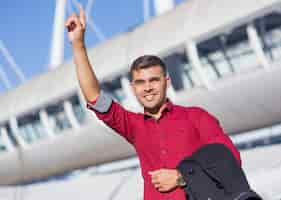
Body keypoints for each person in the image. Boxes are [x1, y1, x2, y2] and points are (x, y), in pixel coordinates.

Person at [65, 5, 241, 200]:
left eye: (154, 80)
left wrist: (181, 177)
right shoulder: (134, 126)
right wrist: (78, 45)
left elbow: (230, 159)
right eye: (140, 82)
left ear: (167, 82)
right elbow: (94, 97)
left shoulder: (197, 117)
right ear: (133, 88)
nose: (147, 88)